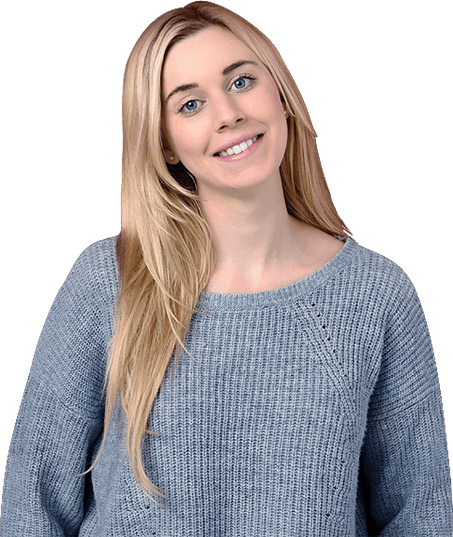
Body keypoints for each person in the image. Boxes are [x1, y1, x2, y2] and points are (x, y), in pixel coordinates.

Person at [1, 1, 451, 535]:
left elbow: (419, 513)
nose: (227, 114)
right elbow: (33, 502)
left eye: (241, 81)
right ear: (165, 143)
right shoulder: (110, 281)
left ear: (280, 94)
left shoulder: (377, 295)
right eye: (190, 104)